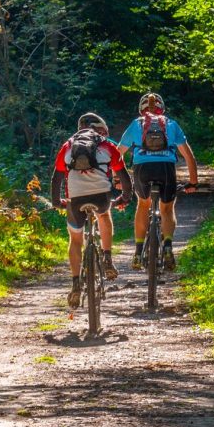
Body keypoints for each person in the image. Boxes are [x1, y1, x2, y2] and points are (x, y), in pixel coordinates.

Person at [52, 112, 132, 308]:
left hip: (76, 199)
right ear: (101, 129)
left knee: (75, 239)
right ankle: (106, 258)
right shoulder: (107, 144)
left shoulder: (68, 145)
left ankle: (75, 283)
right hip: (101, 197)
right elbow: (123, 176)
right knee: (104, 214)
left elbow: (57, 178)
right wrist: (125, 198)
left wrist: (57, 201)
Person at [116, 91, 199, 272]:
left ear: (141, 110)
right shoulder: (171, 124)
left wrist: (117, 178)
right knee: (167, 207)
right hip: (165, 168)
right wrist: (193, 182)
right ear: (162, 108)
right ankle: (168, 246)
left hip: (142, 170)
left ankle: (138, 251)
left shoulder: (136, 124)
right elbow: (189, 156)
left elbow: (117, 154)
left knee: (143, 205)